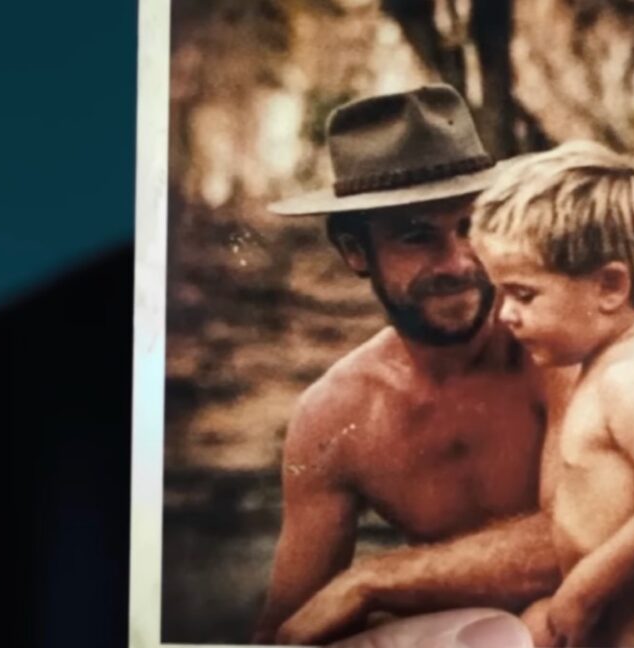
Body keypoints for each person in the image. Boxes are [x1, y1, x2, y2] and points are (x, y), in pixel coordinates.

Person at [251, 84, 576, 645]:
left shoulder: (554, 349)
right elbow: (294, 622)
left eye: (470, 227)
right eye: (415, 236)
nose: (457, 263)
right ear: (355, 251)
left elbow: (586, 534)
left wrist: (373, 581)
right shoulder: (336, 415)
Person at [469, 141, 634, 647]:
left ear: (610, 287)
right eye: (500, 293)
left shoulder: (633, 378)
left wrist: (584, 591)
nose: (504, 314)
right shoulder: (602, 367)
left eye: (523, 294)